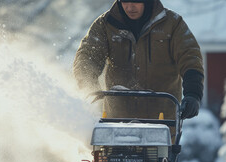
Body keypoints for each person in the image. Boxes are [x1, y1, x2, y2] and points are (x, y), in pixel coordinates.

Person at [73, 0, 204, 121]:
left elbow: (191, 58)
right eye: (125, 1)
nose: (130, 7)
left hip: (162, 121)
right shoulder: (105, 25)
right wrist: (89, 90)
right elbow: (86, 59)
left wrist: (193, 94)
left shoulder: (172, 24)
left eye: (136, 1)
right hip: (116, 121)